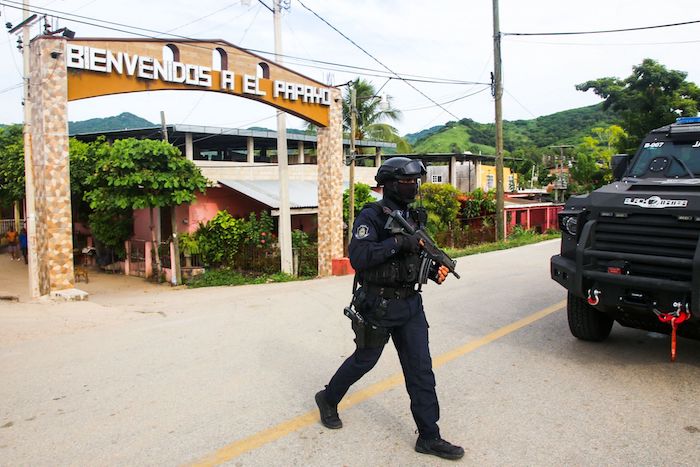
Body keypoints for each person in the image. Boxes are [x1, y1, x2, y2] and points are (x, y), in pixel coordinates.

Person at [315, 157, 464, 460]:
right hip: (378, 305)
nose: (413, 186)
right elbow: (360, 257)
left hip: (410, 305)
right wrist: (398, 243)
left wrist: (433, 271)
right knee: (364, 361)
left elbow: (417, 256)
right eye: (408, 182)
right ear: (391, 185)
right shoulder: (370, 216)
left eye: (415, 181)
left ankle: (429, 436)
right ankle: (328, 398)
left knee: (420, 370)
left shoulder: (413, 216)